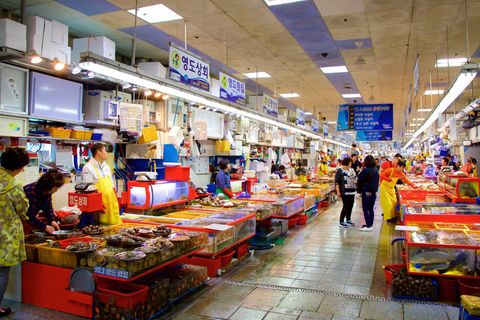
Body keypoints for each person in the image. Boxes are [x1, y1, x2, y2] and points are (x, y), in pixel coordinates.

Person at [0, 148, 30, 318]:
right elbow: (22, 209)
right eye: (22, 166)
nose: (23, 170)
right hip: (4, 235)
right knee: (2, 272)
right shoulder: (13, 186)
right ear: (17, 167)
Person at [82, 143, 121, 225]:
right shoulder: (88, 167)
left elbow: (111, 183)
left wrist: (115, 198)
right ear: (98, 152)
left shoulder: (106, 166)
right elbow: (89, 188)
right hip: (100, 203)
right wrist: (97, 203)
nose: (107, 153)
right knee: (101, 225)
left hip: (111, 201)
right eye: (105, 150)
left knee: (114, 224)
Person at [24, 169, 65, 234]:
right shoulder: (31, 192)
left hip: (31, 220)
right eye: (55, 188)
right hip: (21, 221)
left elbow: (48, 207)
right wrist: (45, 227)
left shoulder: (47, 191)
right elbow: (29, 215)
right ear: (48, 186)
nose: (56, 190)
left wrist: (52, 220)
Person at [357, 155, 379, 232]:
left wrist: (359, 190)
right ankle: (371, 224)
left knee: (365, 209)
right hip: (373, 192)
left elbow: (359, 181)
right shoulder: (376, 171)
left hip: (366, 192)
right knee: (371, 209)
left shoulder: (365, 171)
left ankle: (368, 225)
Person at [335, 157, 356, 228]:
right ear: (347, 163)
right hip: (345, 192)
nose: (351, 165)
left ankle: (348, 219)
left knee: (351, 206)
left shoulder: (351, 170)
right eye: (350, 163)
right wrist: (338, 192)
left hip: (352, 191)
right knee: (345, 206)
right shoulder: (339, 171)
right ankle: (341, 221)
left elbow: (355, 179)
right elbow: (337, 182)